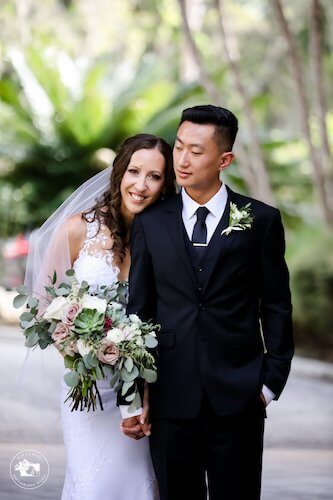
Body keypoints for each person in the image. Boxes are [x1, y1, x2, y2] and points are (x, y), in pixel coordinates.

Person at [122, 105, 294, 500]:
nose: (182, 159)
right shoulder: (151, 221)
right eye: (179, 147)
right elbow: (139, 309)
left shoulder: (260, 220)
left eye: (196, 151)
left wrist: (270, 383)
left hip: (239, 397)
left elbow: (277, 305)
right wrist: (131, 395)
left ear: (224, 159)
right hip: (169, 395)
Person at [24, 133, 176, 500]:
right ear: (119, 171)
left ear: (165, 183)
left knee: (139, 485)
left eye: (154, 176)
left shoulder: (163, 238)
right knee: (94, 486)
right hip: (87, 388)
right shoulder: (78, 228)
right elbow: (45, 306)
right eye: (134, 171)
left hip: (141, 391)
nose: (141, 185)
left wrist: (144, 392)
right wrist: (83, 351)